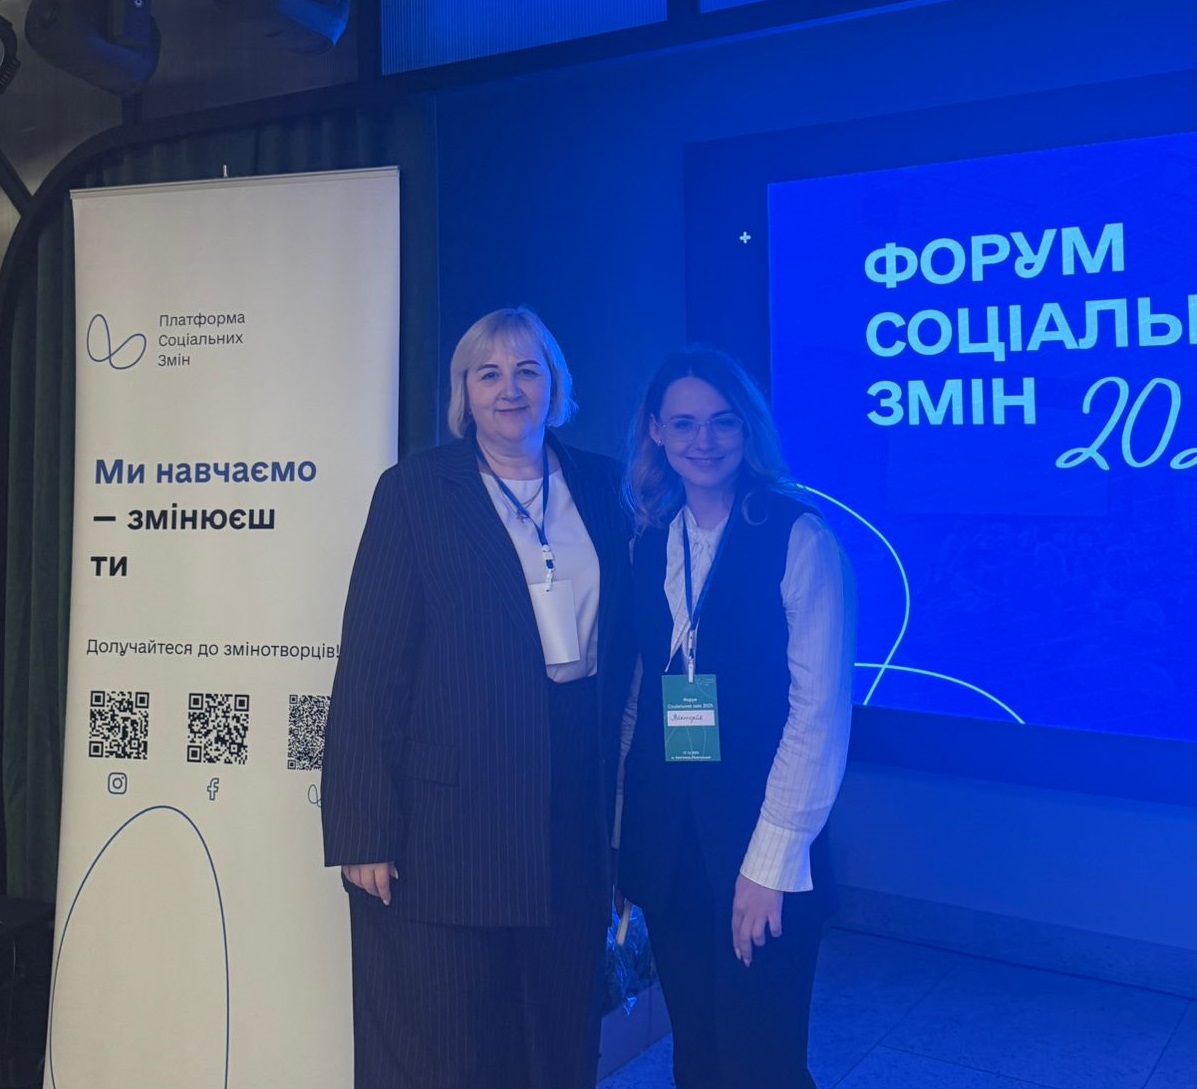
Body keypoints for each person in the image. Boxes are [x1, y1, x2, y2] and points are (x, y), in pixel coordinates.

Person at [321, 307, 635, 1089]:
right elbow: (370, 669)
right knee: (448, 1048)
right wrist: (362, 827)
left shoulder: (603, 484)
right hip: (449, 826)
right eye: (488, 373)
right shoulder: (415, 491)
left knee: (558, 1034)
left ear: (555, 384)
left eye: (528, 370)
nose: (509, 389)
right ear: (463, 392)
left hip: (570, 806)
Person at [616, 347, 855, 1089]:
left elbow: (817, 715)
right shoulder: (650, 538)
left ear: (747, 428)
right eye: (684, 423)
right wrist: (625, 840)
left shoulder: (798, 536)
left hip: (765, 849)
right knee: (698, 1053)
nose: (704, 440)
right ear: (656, 431)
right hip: (672, 849)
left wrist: (768, 866)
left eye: (722, 421)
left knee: (761, 1060)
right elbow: (636, 703)